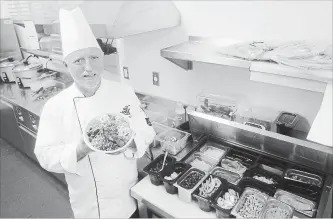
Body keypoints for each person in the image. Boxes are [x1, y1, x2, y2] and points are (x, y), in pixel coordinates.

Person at [34, 7, 156, 218]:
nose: (88, 68)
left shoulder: (124, 92)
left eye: (93, 57)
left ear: (102, 58)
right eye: (78, 61)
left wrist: (131, 142)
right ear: (66, 64)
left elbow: (147, 129)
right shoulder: (56, 106)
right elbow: (45, 155)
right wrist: (79, 150)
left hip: (126, 199)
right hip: (88, 206)